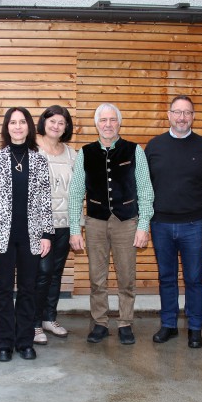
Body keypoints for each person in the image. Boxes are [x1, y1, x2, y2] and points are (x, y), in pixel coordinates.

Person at [69, 103, 154, 346]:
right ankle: (100, 323)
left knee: (127, 276)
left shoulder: (134, 150)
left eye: (112, 120)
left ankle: (126, 323)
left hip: (127, 222)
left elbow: (146, 191)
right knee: (97, 278)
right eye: (103, 120)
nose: (108, 124)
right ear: (97, 124)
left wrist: (143, 224)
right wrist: (76, 229)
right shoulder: (85, 152)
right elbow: (75, 194)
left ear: (119, 123)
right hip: (95, 221)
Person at [0, 107, 53, 362]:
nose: (18, 126)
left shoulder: (39, 159)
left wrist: (46, 234)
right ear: (7, 127)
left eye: (22, 122)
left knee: (27, 290)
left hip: (31, 235)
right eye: (13, 122)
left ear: (29, 127)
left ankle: (24, 341)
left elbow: (45, 199)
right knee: (2, 290)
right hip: (1, 234)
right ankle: (4, 343)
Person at [144, 95, 202, 348]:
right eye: (177, 112)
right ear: (169, 115)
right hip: (161, 224)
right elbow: (144, 186)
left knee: (194, 278)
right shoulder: (154, 146)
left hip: (194, 225)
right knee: (167, 277)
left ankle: (195, 327)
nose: (182, 117)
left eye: (187, 113)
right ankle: (169, 325)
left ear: (193, 116)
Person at [33, 105, 77, 345]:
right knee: (42, 273)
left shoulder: (72, 154)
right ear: (44, 122)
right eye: (52, 121)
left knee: (56, 273)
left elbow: (78, 191)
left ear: (66, 127)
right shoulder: (32, 149)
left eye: (61, 122)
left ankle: (50, 317)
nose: (56, 126)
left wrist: (76, 226)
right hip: (41, 226)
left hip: (65, 225)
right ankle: (34, 323)